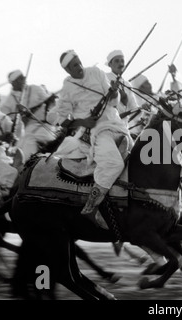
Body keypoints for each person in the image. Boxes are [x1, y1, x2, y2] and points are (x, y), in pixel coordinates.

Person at [49, 49, 133, 221]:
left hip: (117, 124)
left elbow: (113, 102)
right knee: (114, 164)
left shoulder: (96, 72)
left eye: (79, 62)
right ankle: (93, 204)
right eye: (74, 66)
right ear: (67, 70)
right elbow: (61, 118)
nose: (79, 67)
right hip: (96, 131)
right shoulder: (67, 87)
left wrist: (114, 92)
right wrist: (82, 122)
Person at [1, 70, 58, 160]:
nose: (24, 79)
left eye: (23, 77)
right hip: (25, 130)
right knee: (19, 147)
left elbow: (50, 104)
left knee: (29, 141)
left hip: (43, 125)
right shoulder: (9, 101)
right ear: (13, 83)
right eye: (20, 78)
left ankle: (30, 164)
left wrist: (51, 99)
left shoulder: (35, 88)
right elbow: (4, 119)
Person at [105, 50, 140, 131]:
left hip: (124, 127)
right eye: (116, 61)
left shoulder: (127, 84)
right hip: (107, 125)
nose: (120, 64)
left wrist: (143, 108)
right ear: (110, 64)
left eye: (122, 61)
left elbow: (133, 107)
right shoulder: (105, 78)